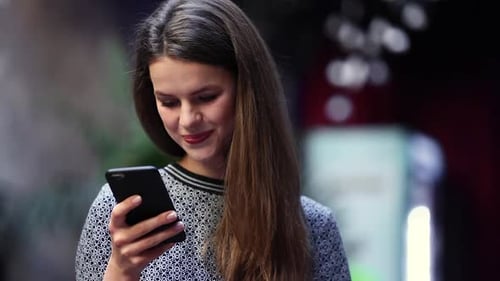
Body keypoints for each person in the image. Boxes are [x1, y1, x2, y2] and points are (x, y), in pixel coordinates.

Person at [75, 0, 351, 280]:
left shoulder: (312, 226)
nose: (187, 119)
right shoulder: (118, 213)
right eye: (169, 102)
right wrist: (121, 271)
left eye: (206, 97)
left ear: (247, 90)